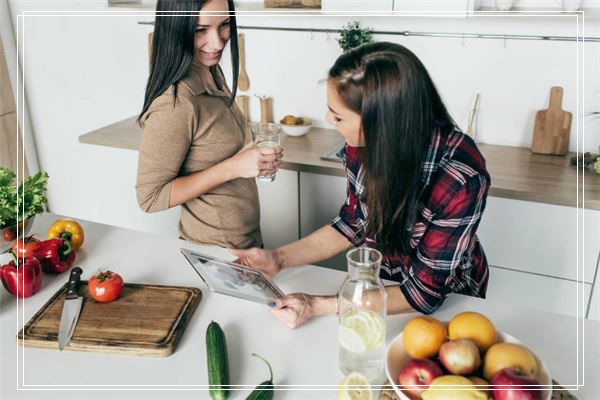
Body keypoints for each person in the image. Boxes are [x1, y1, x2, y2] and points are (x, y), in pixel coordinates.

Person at [231, 42, 491, 328]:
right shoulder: (362, 145)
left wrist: (318, 304)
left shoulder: (460, 177)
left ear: (382, 123)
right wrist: (277, 259)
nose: (329, 120)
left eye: (338, 116)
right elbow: (353, 223)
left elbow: (424, 292)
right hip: (382, 288)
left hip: (449, 306)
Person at [136, 0, 283, 248]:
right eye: (200, 30)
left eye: (224, 25)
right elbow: (150, 198)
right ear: (175, 28)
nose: (217, 43)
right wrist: (233, 167)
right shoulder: (176, 103)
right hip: (215, 253)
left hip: (243, 246)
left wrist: (249, 157)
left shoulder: (211, 72)